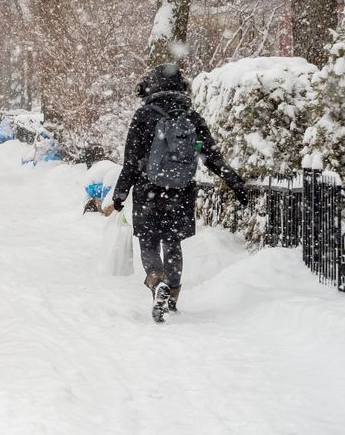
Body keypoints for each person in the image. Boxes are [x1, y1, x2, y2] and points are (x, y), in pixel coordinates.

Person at [102, 63, 248, 323]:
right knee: (172, 242)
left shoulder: (144, 115)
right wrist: (235, 182)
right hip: (181, 192)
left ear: (151, 86)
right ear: (181, 86)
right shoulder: (191, 117)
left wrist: (120, 195)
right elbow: (211, 157)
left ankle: (156, 281)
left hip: (148, 190)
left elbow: (131, 162)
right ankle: (172, 296)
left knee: (148, 240)